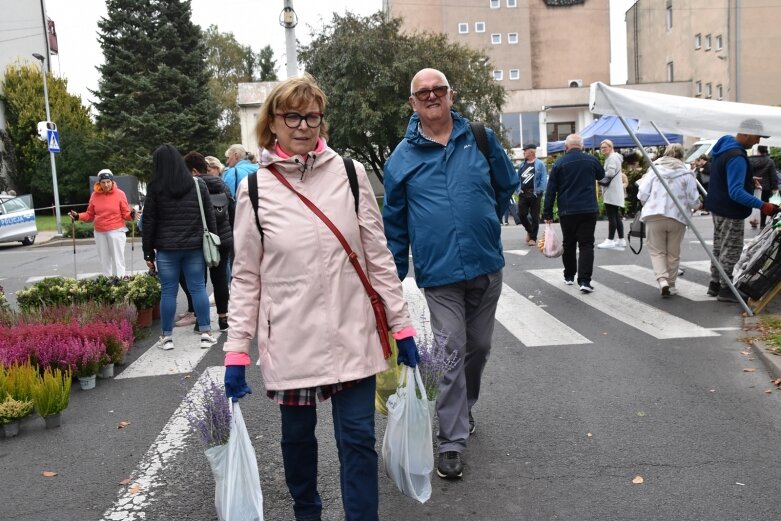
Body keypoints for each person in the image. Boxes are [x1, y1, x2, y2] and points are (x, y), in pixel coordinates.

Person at [222, 74, 417, 521]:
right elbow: (247, 277)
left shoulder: (349, 174)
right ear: (272, 122)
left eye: (312, 116)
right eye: (293, 115)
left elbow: (377, 255)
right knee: (297, 440)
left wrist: (400, 323)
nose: (304, 125)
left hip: (353, 330)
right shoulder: (254, 190)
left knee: (357, 440)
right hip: (292, 336)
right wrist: (236, 351)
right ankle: (307, 510)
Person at [383, 67, 519, 480]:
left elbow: (505, 183)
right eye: (422, 92)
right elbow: (395, 221)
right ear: (412, 103)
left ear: (450, 95)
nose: (431, 96)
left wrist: (485, 222)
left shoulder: (479, 137)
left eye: (437, 89)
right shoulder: (401, 158)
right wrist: (392, 275)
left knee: (479, 346)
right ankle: (452, 441)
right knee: (452, 350)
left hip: (485, 264)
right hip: (439, 273)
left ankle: (464, 408)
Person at [141, 144, 219, 350]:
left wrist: (147, 250)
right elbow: (209, 216)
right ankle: (206, 332)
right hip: (194, 246)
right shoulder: (197, 184)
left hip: (166, 248)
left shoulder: (156, 188)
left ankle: (166, 337)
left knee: (168, 292)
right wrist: (213, 239)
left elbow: (149, 220)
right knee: (198, 288)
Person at [703, 124, 778, 303]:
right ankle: (726, 288)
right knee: (731, 249)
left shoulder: (723, 149)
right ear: (745, 133)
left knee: (720, 246)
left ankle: (715, 283)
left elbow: (724, 177)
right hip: (731, 209)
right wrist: (763, 206)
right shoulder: (736, 155)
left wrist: (748, 179)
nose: (757, 142)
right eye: (756, 137)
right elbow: (736, 192)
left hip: (718, 206)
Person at [175, 151, 234, 332]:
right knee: (220, 279)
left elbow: (186, 216)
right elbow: (232, 209)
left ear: (193, 171)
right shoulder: (221, 183)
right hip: (223, 239)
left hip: (200, 239)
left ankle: (202, 320)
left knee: (199, 281)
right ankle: (223, 318)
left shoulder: (191, 186)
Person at [542, 133, 605, 293]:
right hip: (588, 209)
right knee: (586, 244)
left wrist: (547, 212)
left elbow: (551, 190)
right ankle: (584, 280)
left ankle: (569, 276)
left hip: (567, 210)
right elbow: (602, 175)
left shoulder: (559, 163)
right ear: (582, 146)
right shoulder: (591, 160)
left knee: (569, 244)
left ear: (566, 147)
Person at [637, 144, 701, 297]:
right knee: (673, 252)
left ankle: (662, 280)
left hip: (654, 215)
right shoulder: (687, 174)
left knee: (657, 251)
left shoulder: (654, 170)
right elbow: (694, 200)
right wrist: (696, 206)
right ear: (681, 156)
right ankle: (671, 284)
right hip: (677, 217)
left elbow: (642, 194)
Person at [69, 169, 134, 277]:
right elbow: (90, 215)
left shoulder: (120, 194)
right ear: (99, 183)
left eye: (108, 182)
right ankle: (107, 282)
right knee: (104, 260)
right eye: (103, 182)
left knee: (118, 259)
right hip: (99, 232)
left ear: (112, 181)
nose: (106, 185)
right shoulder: (94, 195)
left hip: (116, 231)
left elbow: (126, 214)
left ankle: (120, 282)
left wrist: (131, 215)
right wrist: (77, 216)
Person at [596, 139, 627, 249]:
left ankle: (610, 239)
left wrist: (601, 175)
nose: (602, 149)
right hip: (615, 190)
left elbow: (610, 173)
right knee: (616, 216)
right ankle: (621, 239)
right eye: (601, 148)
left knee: (612, 216)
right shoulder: (615, 157)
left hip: (612, 190)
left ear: (610, 147)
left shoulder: (612, 158)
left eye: (605, 147)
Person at [517, 143, 548, 246]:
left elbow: (543, 179)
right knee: (521, 215)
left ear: (531, 152)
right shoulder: (522, 164)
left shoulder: (540, 164)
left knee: (535, 217)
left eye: (525, 151)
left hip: (535, 194)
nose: (524, 152)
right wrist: (518, 190)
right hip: (523, 194)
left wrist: (539, 191)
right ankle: (530, 230)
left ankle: (533, 238)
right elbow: (517, 179)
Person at [749, 145, 779, 229]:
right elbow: (773, 176)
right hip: (765, 187)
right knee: (764, 204)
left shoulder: (749, 160)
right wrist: (775, 187)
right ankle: (762, 224)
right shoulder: (769, 161)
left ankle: (753, 221)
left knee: (752, 202)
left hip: (751, 185)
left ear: (758, 150)